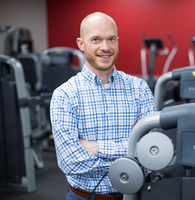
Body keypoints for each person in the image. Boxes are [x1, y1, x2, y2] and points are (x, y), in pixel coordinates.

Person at [50, 12, 156, 200]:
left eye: (111, 39)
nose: (105, 47)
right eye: (96, 39)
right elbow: (70, 162)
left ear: (117, 41)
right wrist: (132, 154)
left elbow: (152, 151)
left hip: (135, 195)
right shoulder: (64, 95)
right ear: (81, 44)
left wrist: (96, 148)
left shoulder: (139, 88)